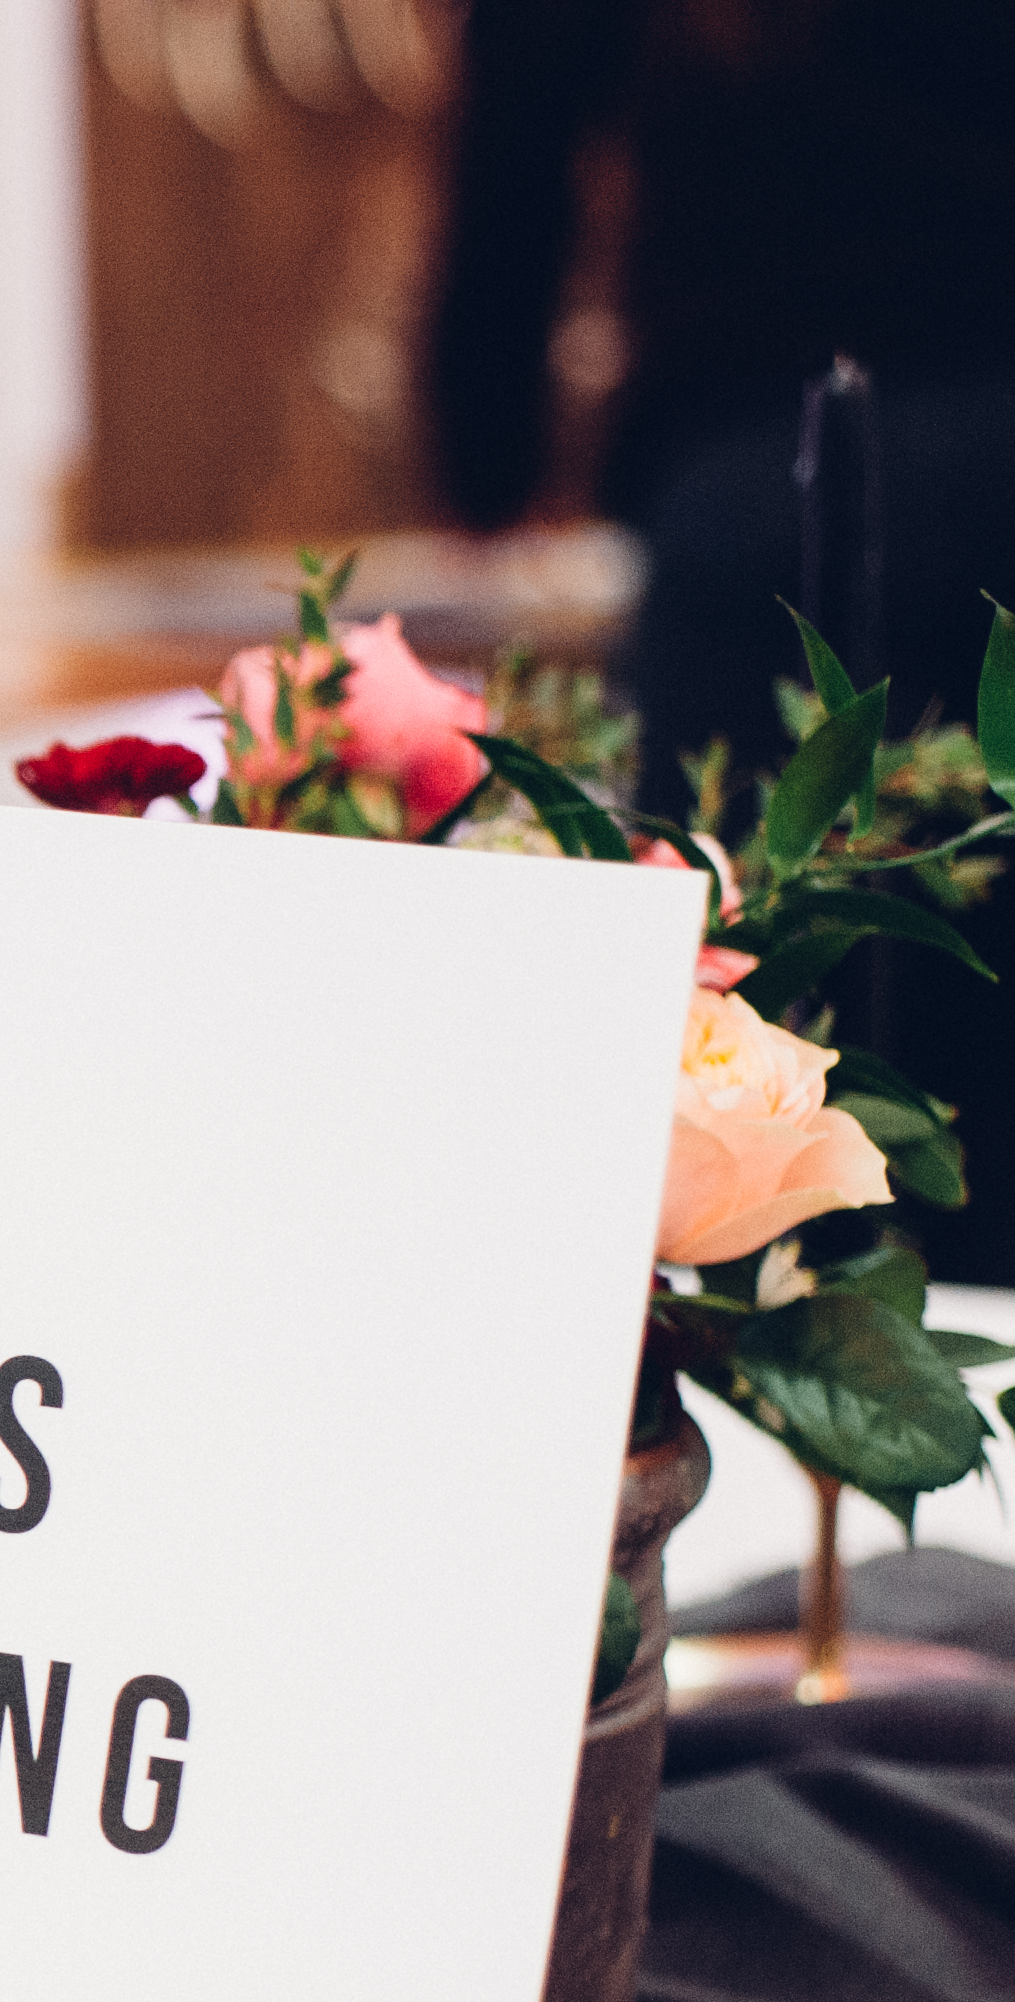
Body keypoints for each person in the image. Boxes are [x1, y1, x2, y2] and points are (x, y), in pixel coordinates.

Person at [427, 0, 1015, 1282]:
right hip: (877, 451)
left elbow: (523, 102)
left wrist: (482, 443)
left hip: (751, 464)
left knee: (749, 1083)